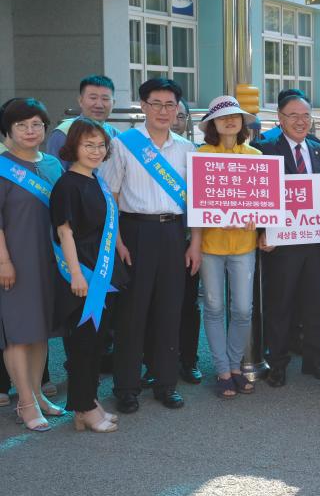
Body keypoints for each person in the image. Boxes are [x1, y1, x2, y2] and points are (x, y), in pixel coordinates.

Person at [100, 79, 199, 413]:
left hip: (174, 233)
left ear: (178, 109)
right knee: (132, 313)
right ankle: (126, 387)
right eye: (156, 103)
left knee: (170, 310)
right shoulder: (123, 144)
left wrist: (195, 244)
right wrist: (117, 242)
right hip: (135, 232)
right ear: (143, 106)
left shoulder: (187, 148)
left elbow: (197, 203)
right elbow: (111, 196)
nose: (163, 111)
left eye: (170, 105)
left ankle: (165, 383)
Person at [51, 119, 127, 432]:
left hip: (102, 270)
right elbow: (64, 232)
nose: (96, 151)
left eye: (100, 145)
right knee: (82, 346)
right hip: (82, 273)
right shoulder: (67, 184)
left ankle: (89, 403)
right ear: (74, 147)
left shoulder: (96, 180)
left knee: (95, 344)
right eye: (88, 145)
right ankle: (83, 407)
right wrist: (76, 275)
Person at [254, 93, 320, 388]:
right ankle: (277, 362)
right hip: (281, 242)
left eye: (306, 116)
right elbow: (259, 193)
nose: (301, 121)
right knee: (280, 303)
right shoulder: (264, 150)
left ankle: (314, 358)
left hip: (314, 242)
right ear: (280, 118)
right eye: (293, 115)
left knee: (313, 302)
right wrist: (263, 231)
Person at [0, 98, 64, 431]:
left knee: (40, 331)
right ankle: (25, 402)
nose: (30, 130)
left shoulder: (53, 164)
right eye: (21, 125)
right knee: (18, 334)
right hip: (14, 261)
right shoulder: (2, 166)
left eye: (36, 124)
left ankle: (38, 394)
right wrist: (4, 261)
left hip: (49, 259)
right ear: (8, 130)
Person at [196, 96, 260, 399]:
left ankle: (235, 365)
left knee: (243, 309)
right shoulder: (201, 155)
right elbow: (195, 203)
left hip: (245, 244)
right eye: (223, 117)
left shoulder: (256, 155)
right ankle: (223, 370)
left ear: (243, 122)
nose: (230, 120)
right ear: (212, 123)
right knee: (214, 307)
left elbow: (265, 201)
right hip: (210, 243)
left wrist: (259, 220)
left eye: (235, 116)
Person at [172, 97, 202, 384]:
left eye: (181, 116)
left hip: (187, 238)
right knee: (154, 304)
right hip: (155, 235)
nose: (174, 119)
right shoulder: (137, 150)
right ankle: (155, 365)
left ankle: (188, 360)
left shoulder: (193, 152)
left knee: (189, 303)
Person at [47, 75, 120, 169]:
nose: (99, 105)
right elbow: (55, 174)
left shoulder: (116, 136)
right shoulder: (64, 133)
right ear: (80, 101)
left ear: (113, 103)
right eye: (93, 98)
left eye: (105, 99)